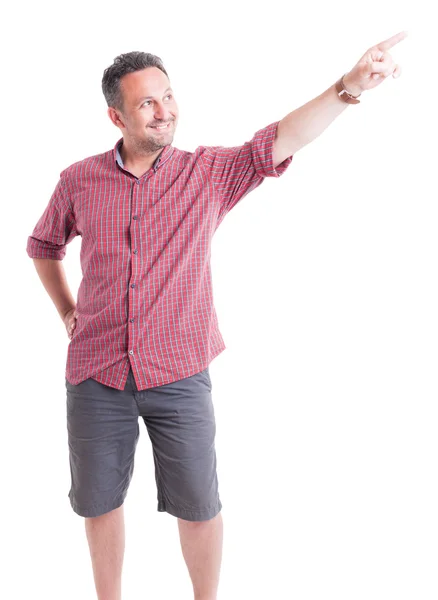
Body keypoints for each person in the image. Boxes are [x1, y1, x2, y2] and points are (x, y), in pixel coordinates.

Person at [26, 31, 407, 600]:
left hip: (180, 372)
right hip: (95, 373)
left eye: (169, 95)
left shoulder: (206, 174)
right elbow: (43, 246)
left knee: (199, 505)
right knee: (99, 501)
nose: (165, 111)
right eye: (147, 103)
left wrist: (347, 88)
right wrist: (66, 311)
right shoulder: (80, 180)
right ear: (116, 116)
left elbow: (278, 141)